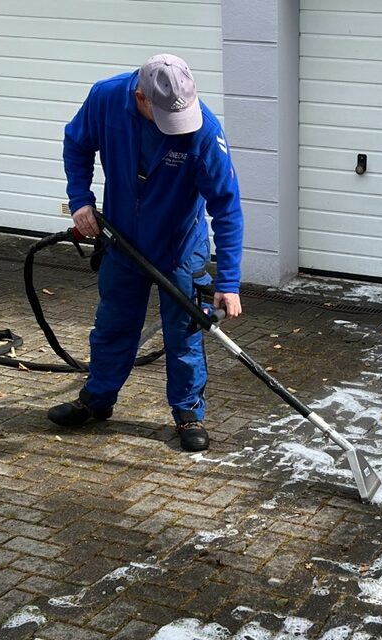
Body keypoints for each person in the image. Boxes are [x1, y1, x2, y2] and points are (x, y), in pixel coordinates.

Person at [47, 54, 243, 452]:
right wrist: (80, 199)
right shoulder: (104, 99)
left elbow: (226, 205)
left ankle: (188, 412)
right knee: (113, 325)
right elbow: (77, 144)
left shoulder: (202, 130)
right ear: (140, 97)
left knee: (183, 334)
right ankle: (97, 400)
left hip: (179, 249)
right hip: (122, 243)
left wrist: (229, 281)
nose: (178, 126)